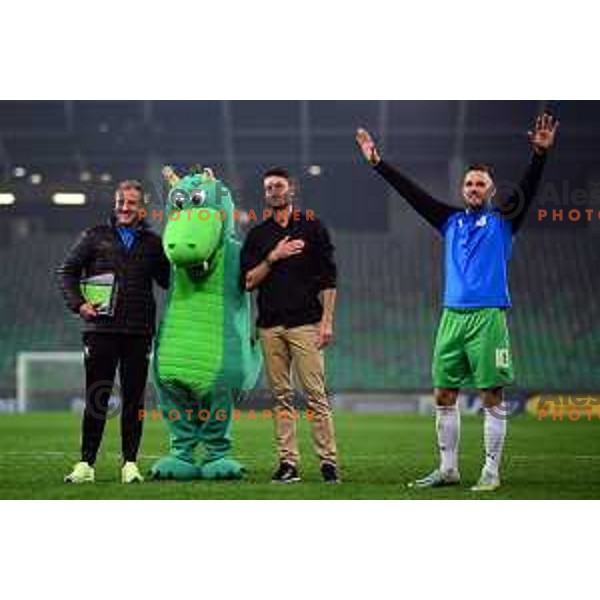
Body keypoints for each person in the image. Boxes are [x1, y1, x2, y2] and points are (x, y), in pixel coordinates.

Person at [356, 113, 558, 491]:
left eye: (480, 183)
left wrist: (539, 155)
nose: (473, 188)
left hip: (487, 318)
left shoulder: (503, 222)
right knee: (444, 394)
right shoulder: (449, 220)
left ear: (492, 190)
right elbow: (412, 194)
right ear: (463, 189)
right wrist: (378, 164)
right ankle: (448, 469)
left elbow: (528, 189)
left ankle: (491, 472)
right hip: (451, 317)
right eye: (469, 183)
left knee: (491, 394)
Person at [57, 180, 170, 483]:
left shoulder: (153, 243)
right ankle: (86, 464)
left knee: (134, 399)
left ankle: (129, 464)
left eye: (131, 203)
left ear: (141, 208)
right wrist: (79, 304)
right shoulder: (94, 236)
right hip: (101, 329)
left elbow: (168, 281)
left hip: (138, 332)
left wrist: (188, 261)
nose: (124, 207)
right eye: (121, 201)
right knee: (97, 396)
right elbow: (67, 271)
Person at [240, 167, 340, 483]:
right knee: (281, 397)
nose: (273, 191)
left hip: (306, 324)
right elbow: (247, 282)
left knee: (315, 394)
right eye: (268, 187)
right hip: (270, 327)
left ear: (291, 189)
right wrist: (274, 256)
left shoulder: (312, 227)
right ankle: (288, 464)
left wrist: (327, 322)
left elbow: (329, 279)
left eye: (278, 186)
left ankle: (328, 462)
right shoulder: (257, 236)